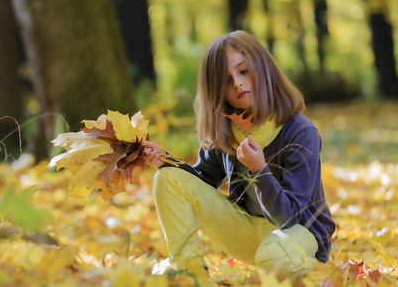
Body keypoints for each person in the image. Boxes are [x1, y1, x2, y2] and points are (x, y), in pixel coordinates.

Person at [143, 30, 335, 276]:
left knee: (273, 255)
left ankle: (317, 270)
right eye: (225, 80)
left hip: (298, 232)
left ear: (263, 69)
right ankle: (190, 272)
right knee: (167, 179)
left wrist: (259, 170)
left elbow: (289, 217)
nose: (237, 83)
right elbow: (201, 182)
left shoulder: (300, 132)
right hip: (247, 230)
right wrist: (165, 161)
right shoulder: (226, 132)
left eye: (243, 71)